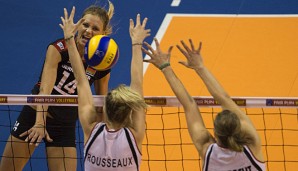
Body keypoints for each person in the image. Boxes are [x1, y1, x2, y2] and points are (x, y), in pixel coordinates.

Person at [0, 2, 115, 171]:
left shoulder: (101, 63)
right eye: (85, 24)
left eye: (95, 28)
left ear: (103, 34)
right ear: (78, 24)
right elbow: (44, 90)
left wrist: (104, 138)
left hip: (64, 124)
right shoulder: (58, 49)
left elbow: (100, 105)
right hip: (35, 115)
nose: (88, 31)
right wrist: (40, 123)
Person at [142, 38, 266, 171]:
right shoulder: (252, 144)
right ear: (239, 129)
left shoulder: (208, 151)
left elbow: (189, 105)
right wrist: (200, 67)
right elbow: (225, 99)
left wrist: (165, 67)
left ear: (216, 134)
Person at [60, 6, 150, 171]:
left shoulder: (91, 130)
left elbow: (81, 80)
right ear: (128, 113)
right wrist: (137, 43)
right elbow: (137, 84)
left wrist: (69, 39)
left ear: (106, 109)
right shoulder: (134, 136)